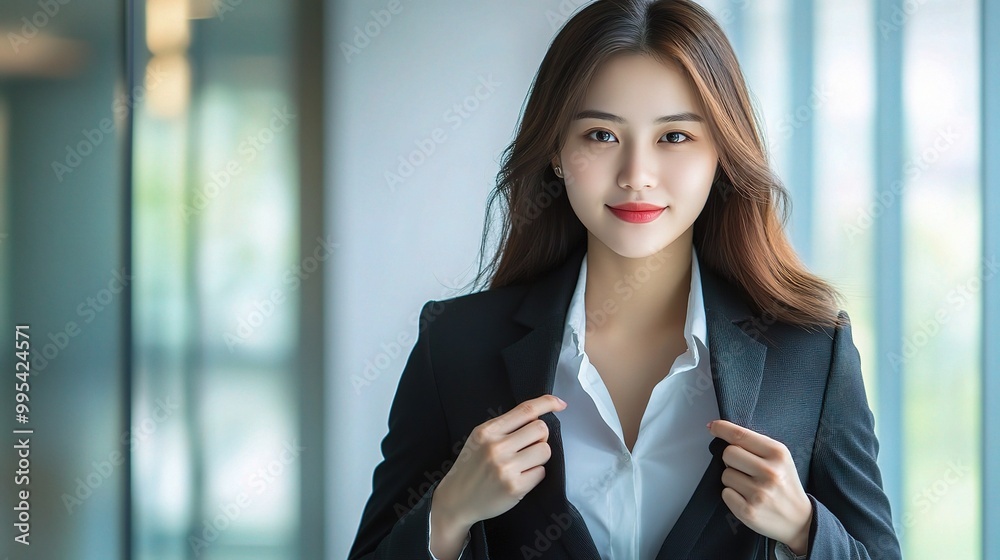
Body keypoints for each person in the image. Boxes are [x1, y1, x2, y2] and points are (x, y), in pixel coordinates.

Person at [348, 0, 901, 558]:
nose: (637, 175)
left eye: (675, 137)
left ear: (721, 155)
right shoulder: (456, 345)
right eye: (601, 136)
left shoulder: (809, 350)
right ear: (558, 152)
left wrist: (807, 531)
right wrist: (449, 514)